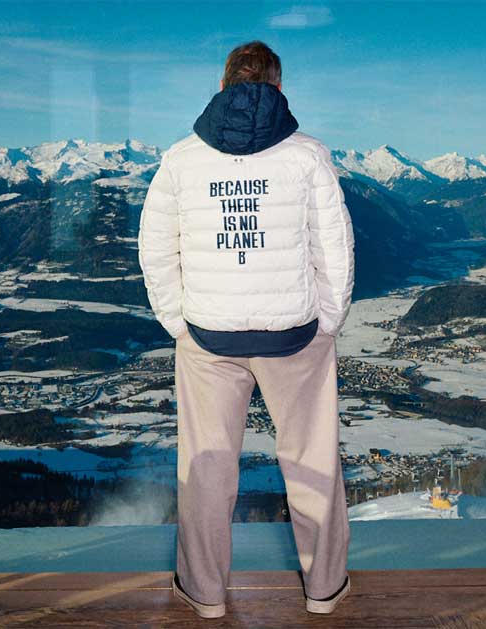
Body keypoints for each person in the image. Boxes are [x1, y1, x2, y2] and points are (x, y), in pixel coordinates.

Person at [137, 40, 355, 619]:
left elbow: (156, 248)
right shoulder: (308, 155)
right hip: (295, 335)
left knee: (207, 466)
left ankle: (206, 594)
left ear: (223, 84)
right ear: (278, 88)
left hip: (209, 336)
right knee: (313, 461)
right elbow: (334, 246)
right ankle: (324, 590)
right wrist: (327, 321)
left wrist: (178, 323)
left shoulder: (181, 159)